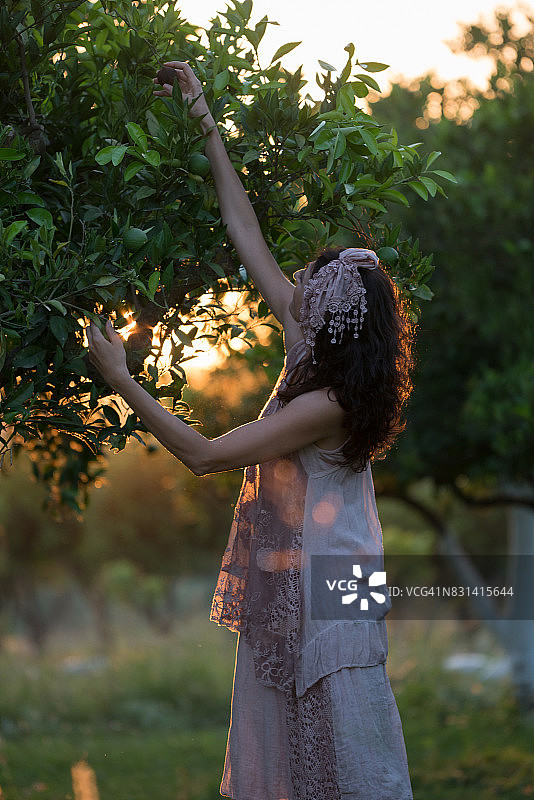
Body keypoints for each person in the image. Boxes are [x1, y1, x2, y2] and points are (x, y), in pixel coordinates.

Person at [87, 62, 414, 800]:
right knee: (315, 742)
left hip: (331, 584)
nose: (297, 290)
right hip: (332, 572)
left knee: (345, 750)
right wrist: (204, 118)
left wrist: (121, 379)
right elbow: (245, 233)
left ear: (332, 317)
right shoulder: (314, 354)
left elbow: (204, 456)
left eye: (312, 288)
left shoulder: (328, 401)